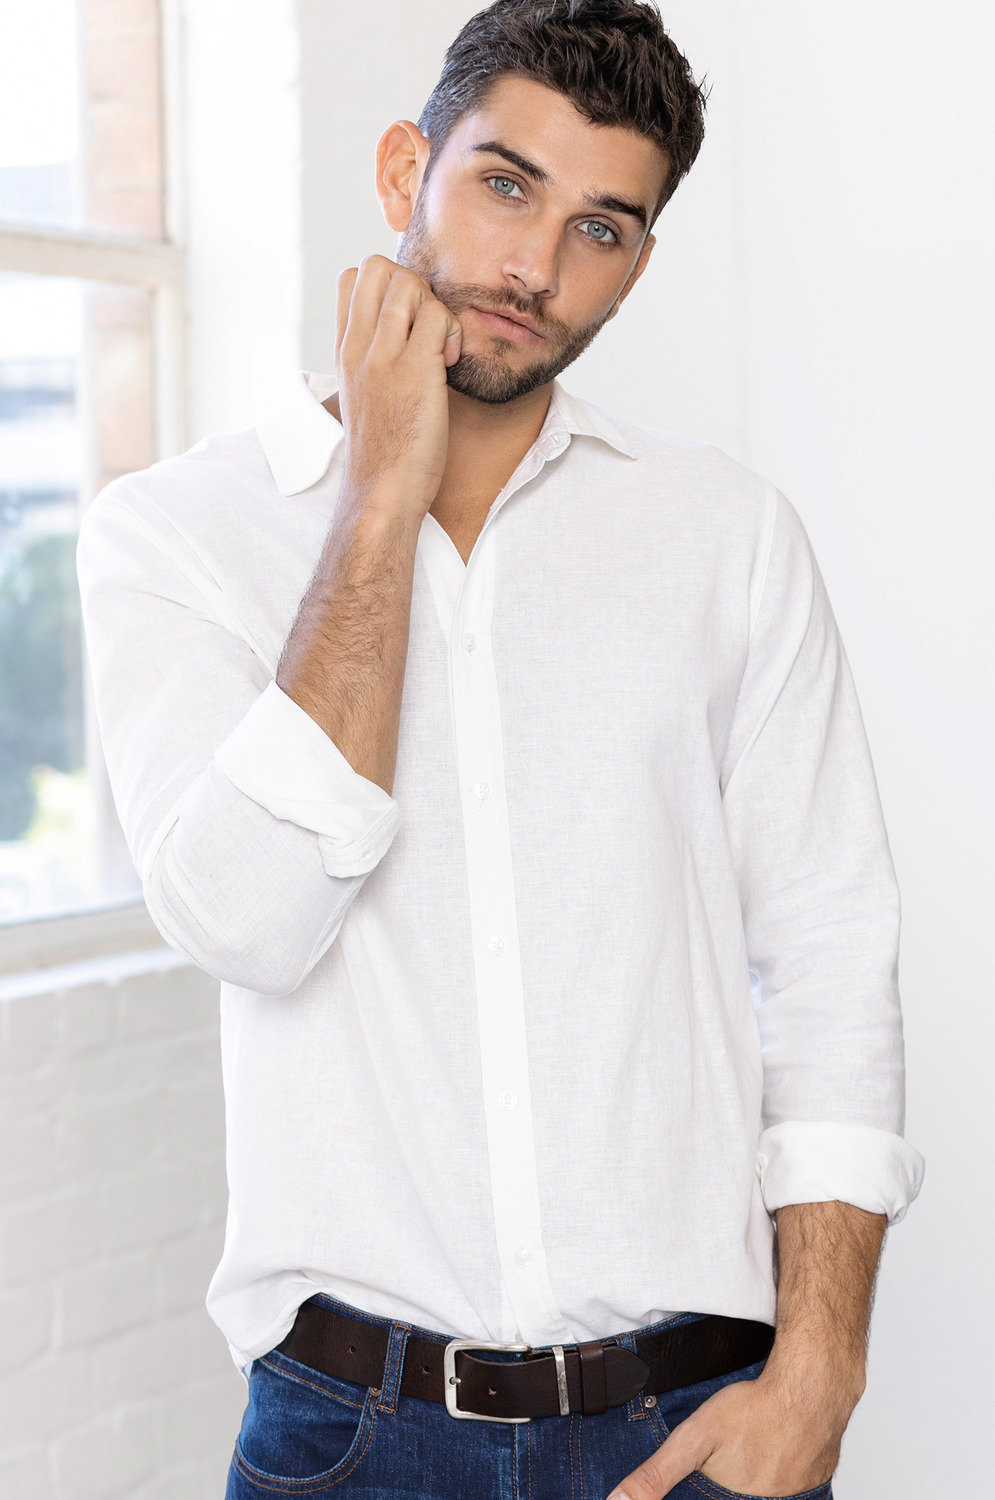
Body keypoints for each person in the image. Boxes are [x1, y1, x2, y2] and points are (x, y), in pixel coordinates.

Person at [75, 2, 926, 1497]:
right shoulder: (178, 536)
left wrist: (822, 1375)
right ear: (405, 169)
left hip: (691, 1420)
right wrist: (380, 495)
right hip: (353, 1437)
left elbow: (831, 960)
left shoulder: (724, 538)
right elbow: (251, 924)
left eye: (601, 228)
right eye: (505, 185)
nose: (535, 268)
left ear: (639, 262)